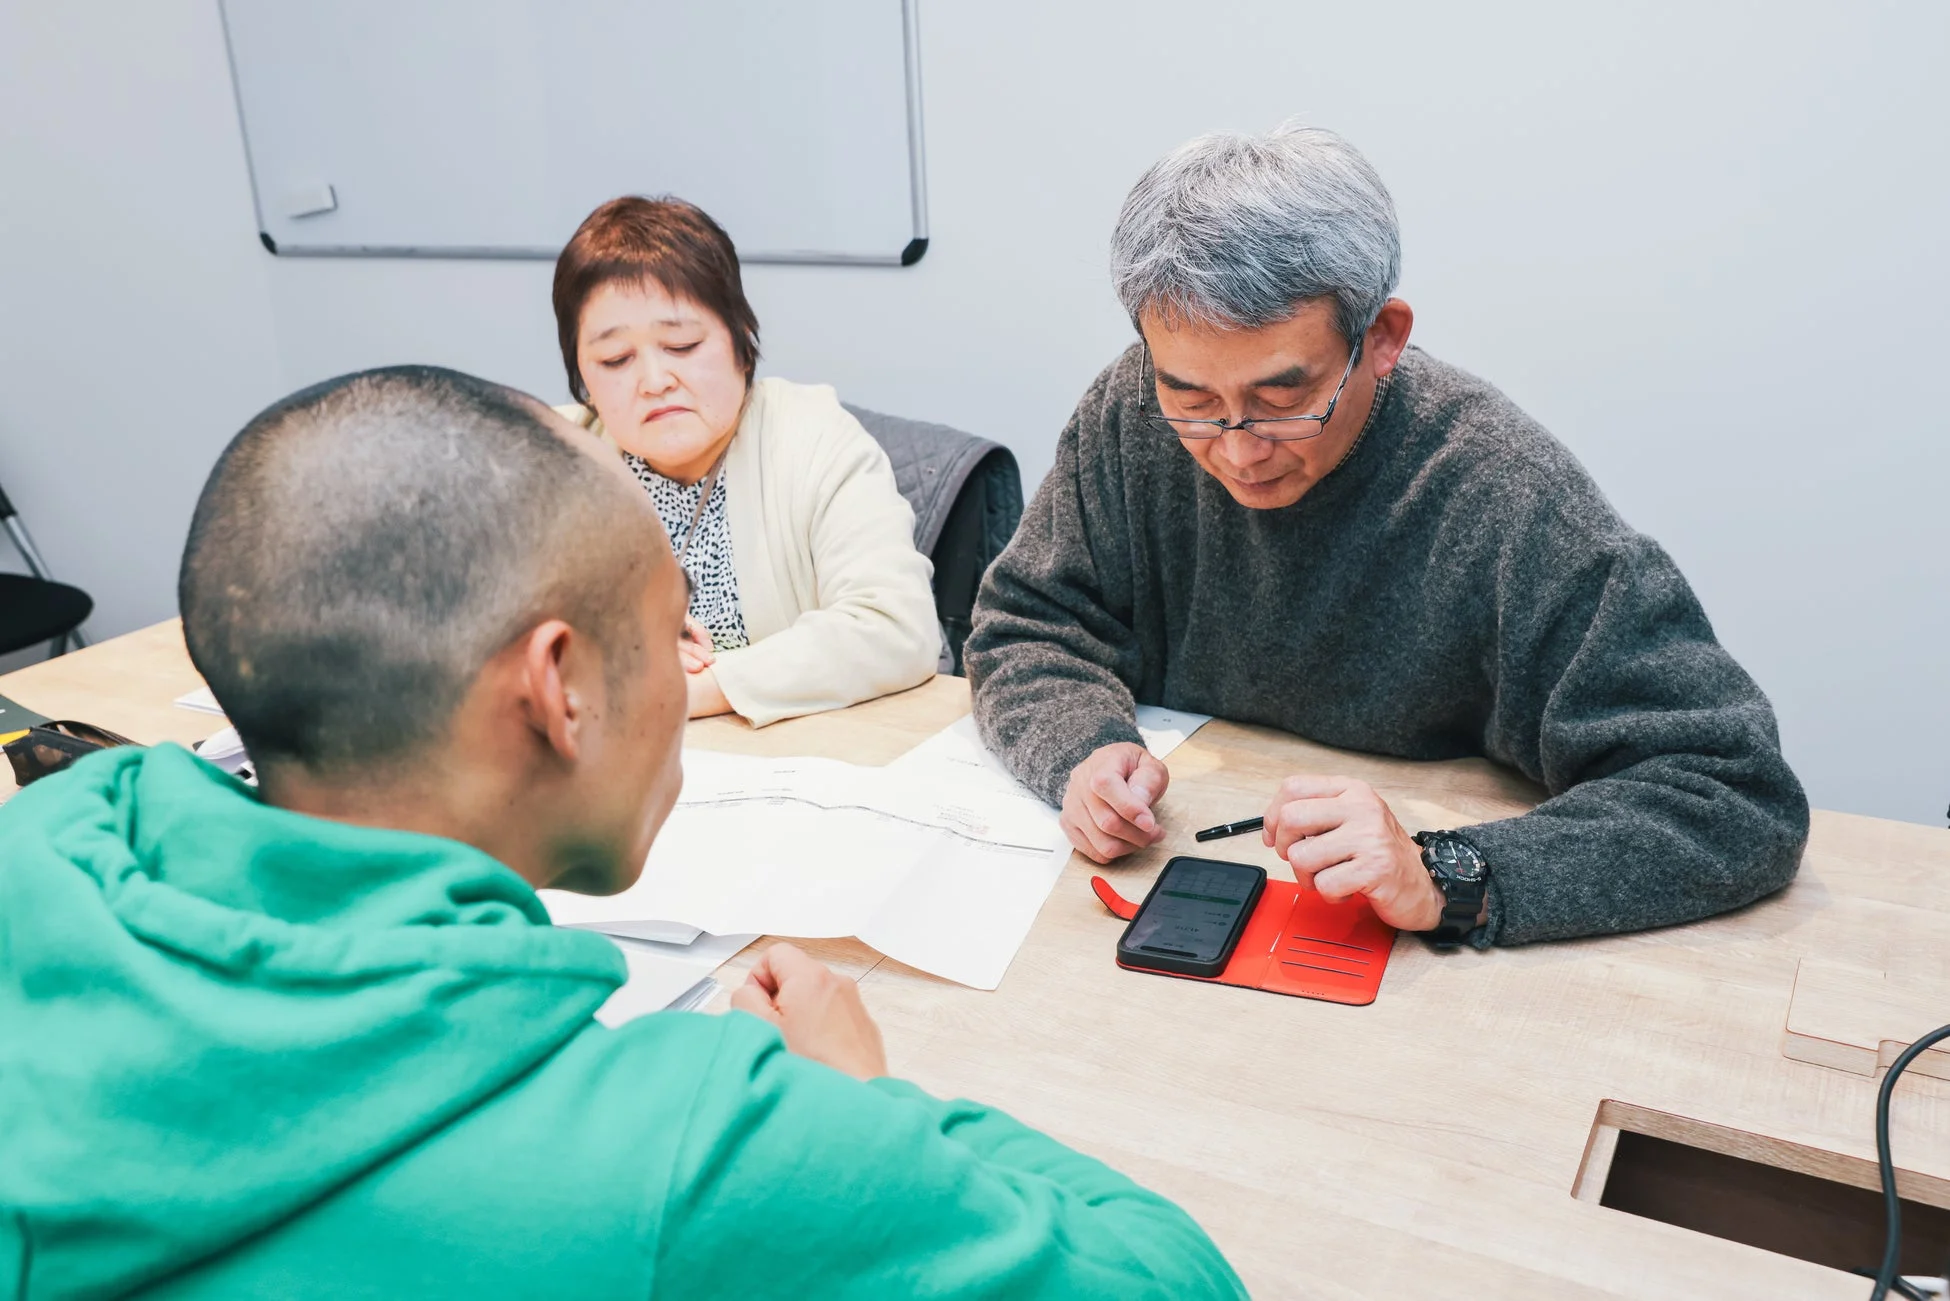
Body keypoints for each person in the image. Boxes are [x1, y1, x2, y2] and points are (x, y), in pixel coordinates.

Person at [0, 367, 1244, 1298]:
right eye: (671, 629)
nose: (690, 666)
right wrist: (868, 1105)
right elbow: (1177, 1277)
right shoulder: (697, 1145)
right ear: (561, 688)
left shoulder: (44, 852)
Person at [965, 124, 1809, 950]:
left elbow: (1732, 794)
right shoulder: (1130, 414)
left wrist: (1447, 874)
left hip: (1401, 957)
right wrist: (1083, 751)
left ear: (1382, 340)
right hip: (1164, 896)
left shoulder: (1507, 495)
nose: (1238, 448)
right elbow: (1028, 624)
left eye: (1282, 400)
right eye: (1191, 400)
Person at [552, 195, 939, 725]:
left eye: (682, 345)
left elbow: (896, 627)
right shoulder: (552, 456)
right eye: (616, 359)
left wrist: (691, 690)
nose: (654, 381)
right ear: (583, 378)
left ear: (742, 340)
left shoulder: (814, 438)